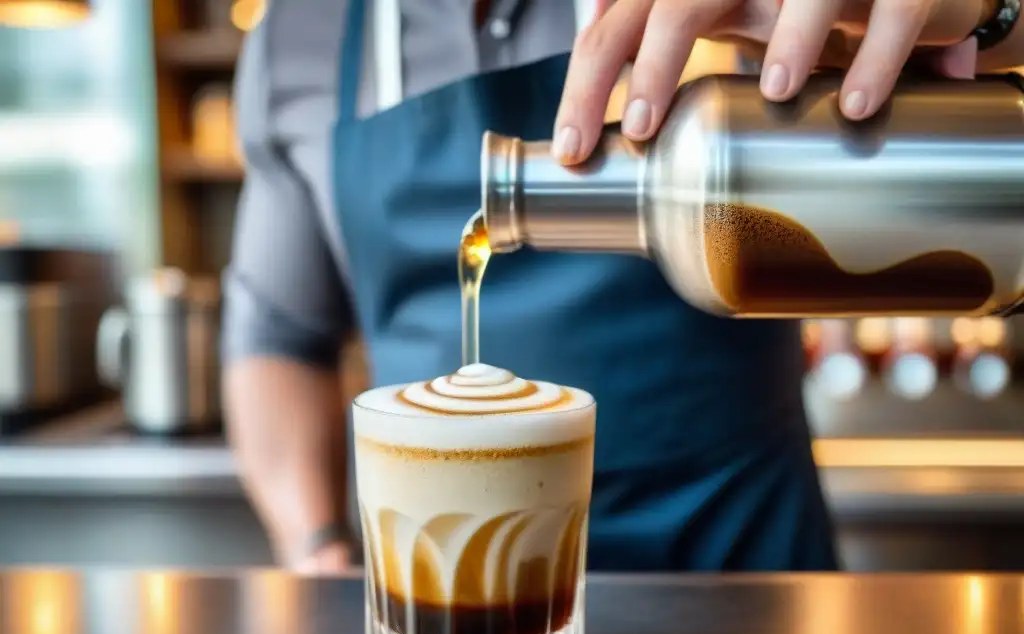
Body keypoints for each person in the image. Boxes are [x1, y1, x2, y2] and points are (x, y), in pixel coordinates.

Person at [224, 0, 1023, 574]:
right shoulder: (299, 32)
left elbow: (971, 55)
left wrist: (989, 14)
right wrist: (315, 547)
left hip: (737, 566)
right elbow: (278, 336)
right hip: (456, 595)